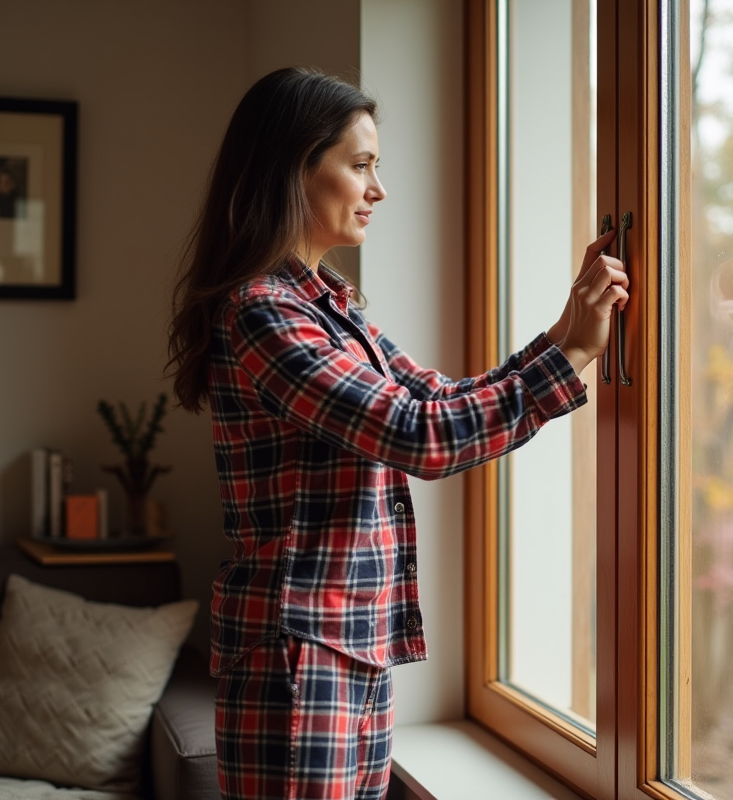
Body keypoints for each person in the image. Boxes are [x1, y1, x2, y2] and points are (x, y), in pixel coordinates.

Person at [166, 66, 629, 800]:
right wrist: (572, 358)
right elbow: (420, 436)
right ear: (292, 170)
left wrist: (566, 329)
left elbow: (434, 397)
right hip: (299, 652)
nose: (378, 189)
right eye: (360, 165)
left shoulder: (328, 307)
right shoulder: (263, 312)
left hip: (345, 645)